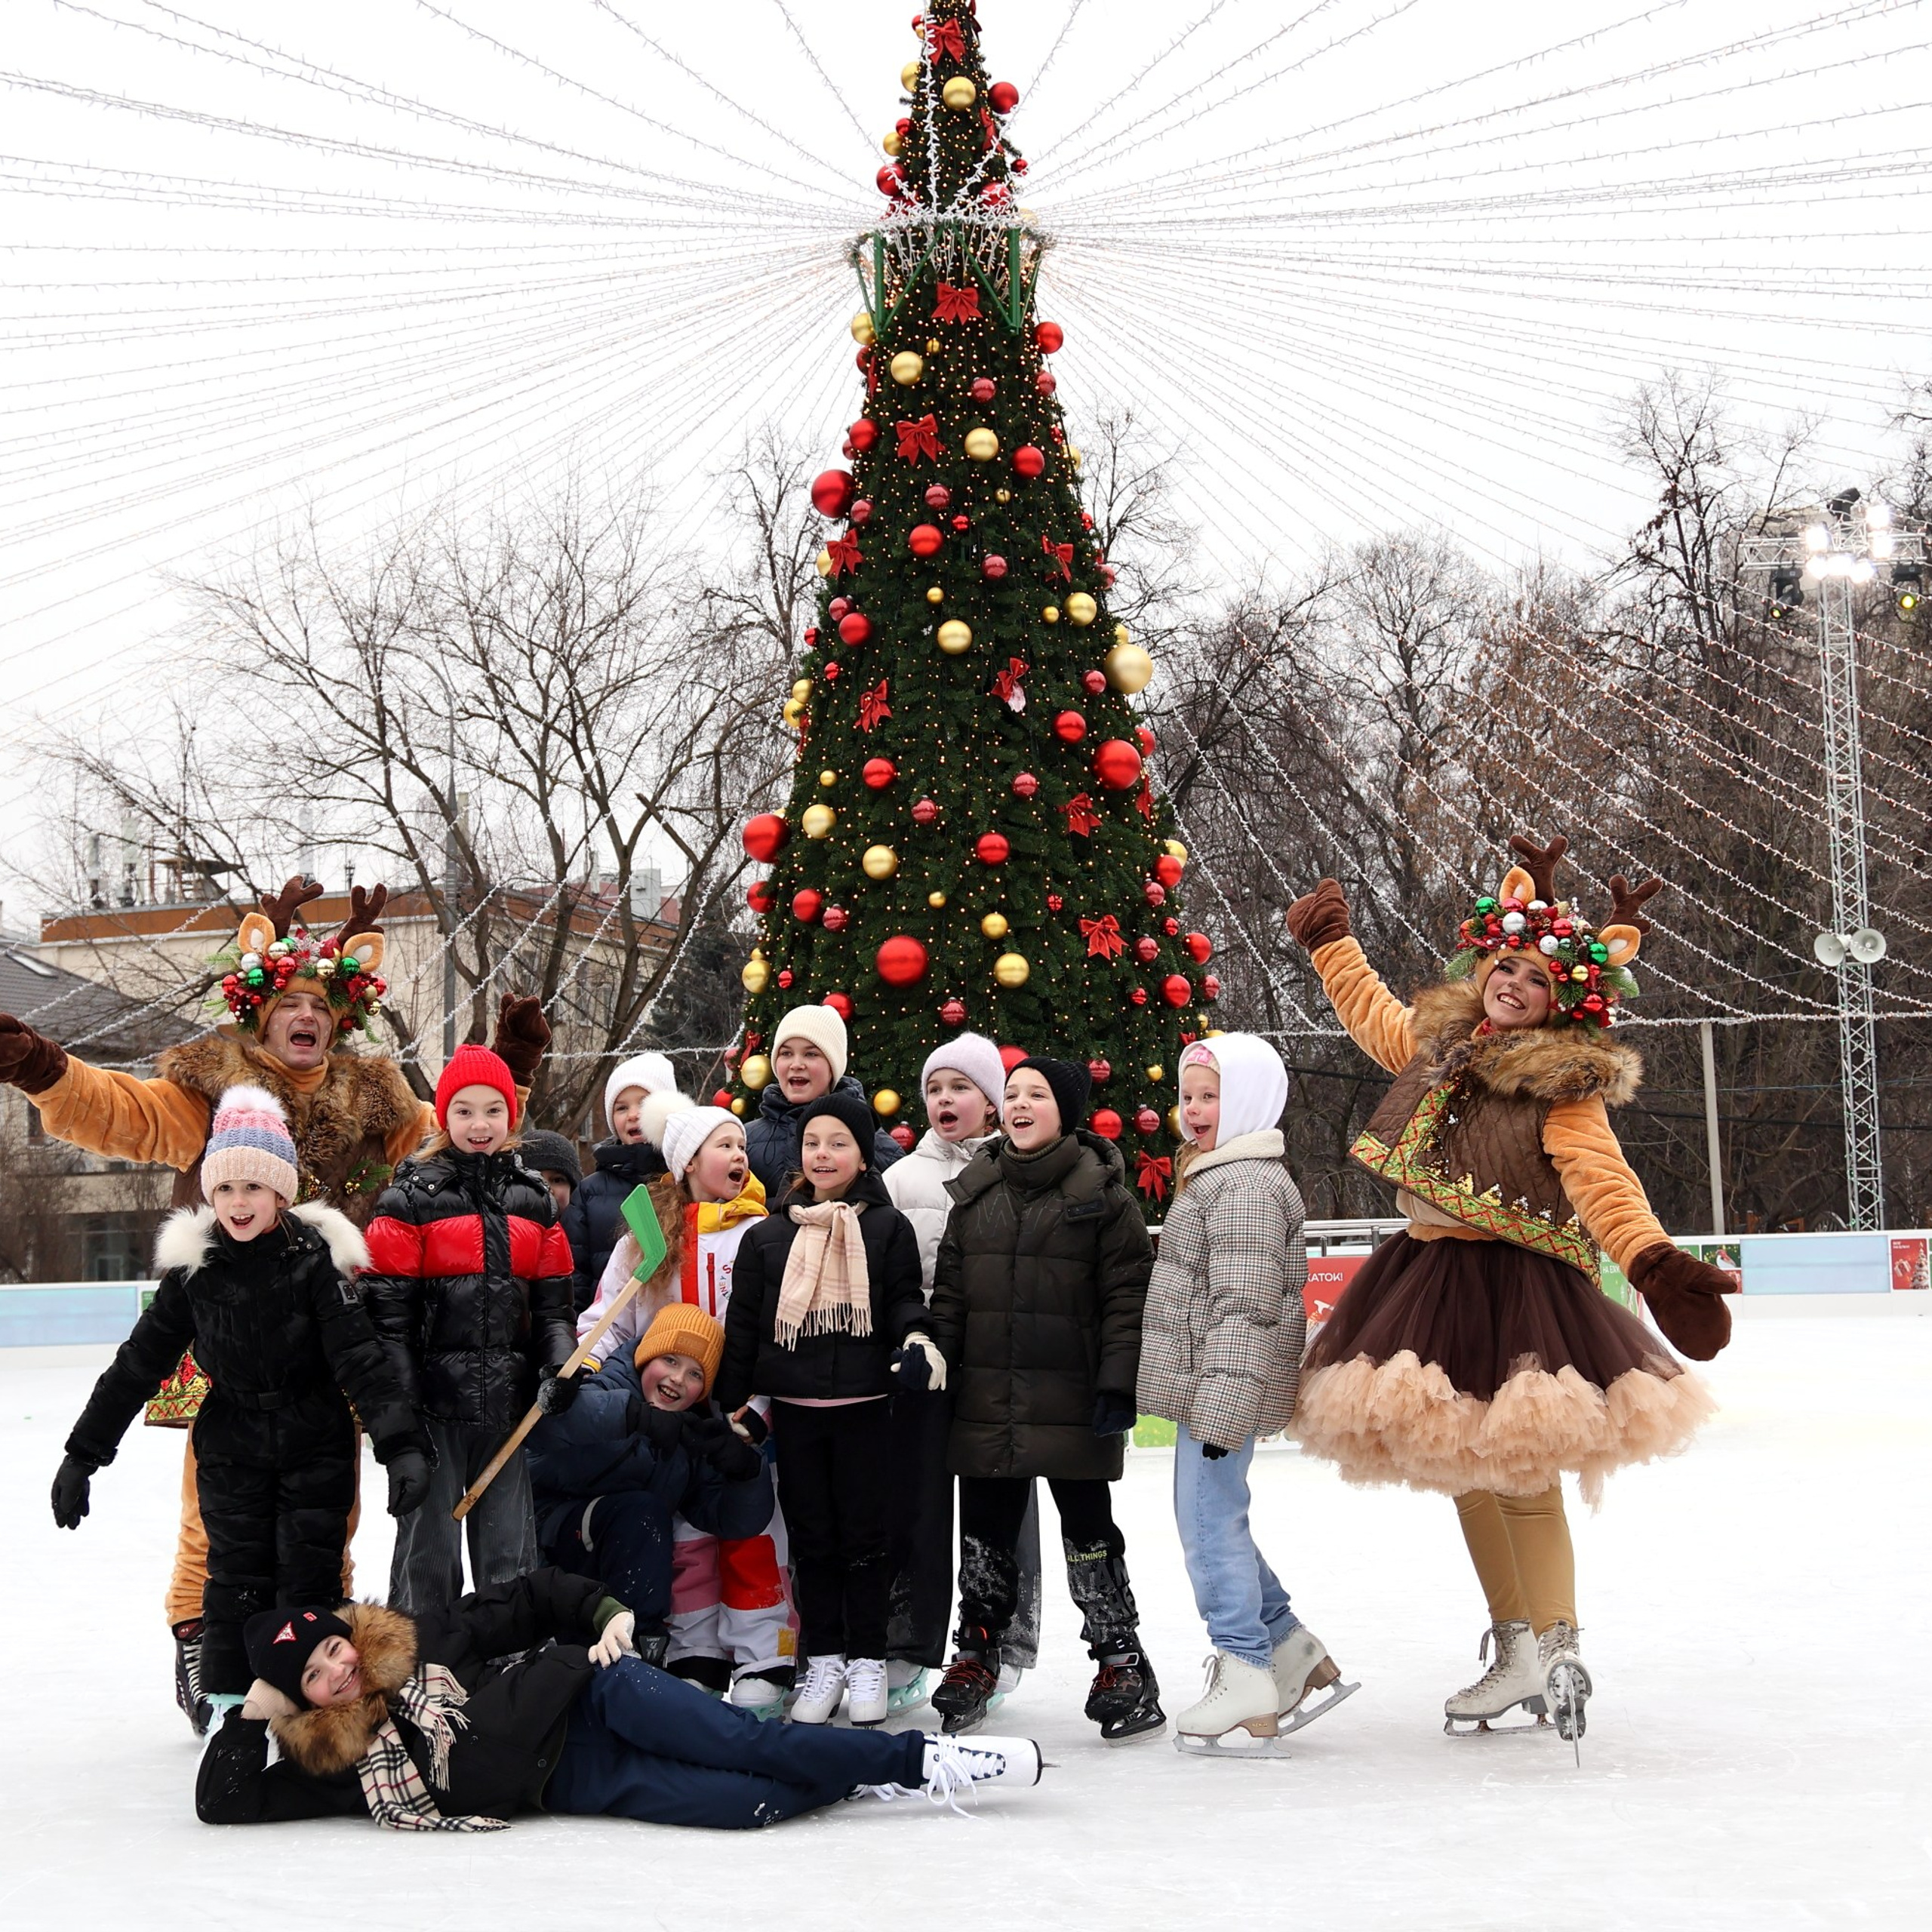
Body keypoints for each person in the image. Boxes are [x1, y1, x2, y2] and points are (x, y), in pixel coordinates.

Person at [0, 876, 549, 1733]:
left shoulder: (375, 1099)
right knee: (214, 1509)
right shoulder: (216, 1093)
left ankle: (309, 1653)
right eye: (289, 1000)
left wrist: (507, 1071)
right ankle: (200, 1638)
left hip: (328, 1324)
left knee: (325, 1505)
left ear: (339, 1018)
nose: (306, 1015)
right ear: (261, 1015)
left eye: (320, 1005)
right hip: (216, 1318)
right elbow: (123, 1113)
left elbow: (457, 1128)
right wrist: (42, 1067)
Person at [1284, 836, 1730, 1743]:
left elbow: (1604, 1182)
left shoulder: (1566, 1087)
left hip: (1519, 1285)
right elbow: (1370, 1010)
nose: (1511, 984)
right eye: (1504, 966)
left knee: (1521, 1473)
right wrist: (1332, 941)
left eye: (1533, 978)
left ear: (1561, 1000)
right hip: (1429, 1271)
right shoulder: (1437, 1044)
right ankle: (1518, 1645)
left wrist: (1652, 1262)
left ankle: (1561, 1644)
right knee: (1463, 1471)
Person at [51, 1086, 431, 1705]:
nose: (238, 1202)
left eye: (253, 1188)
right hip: (232, 1444)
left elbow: (361, 1360)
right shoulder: (196, 1273)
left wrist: (401, 1447)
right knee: (234, 1583)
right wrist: (83, 1455)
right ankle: (232, 1709)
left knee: (309, 1580)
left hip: (315, 1442)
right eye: (224, 1188)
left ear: (281, 1193)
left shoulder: (314, 1265)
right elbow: (137, 1366)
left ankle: (318, 1710)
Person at [196, 1568, 1042, 1832]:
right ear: (298, 1699)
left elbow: (528, 1597)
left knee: (751, 1746)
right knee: (751, 1801)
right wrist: (246, 1717)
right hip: (575, 1784)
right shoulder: (330, 1763)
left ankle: (925, 1761)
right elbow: (222, 1806)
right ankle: (859, 1774)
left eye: (334, 1646)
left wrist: (607, 1615)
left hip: (596, 1699)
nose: (339, 1670)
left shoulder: (421, 1640)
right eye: (313, 1674)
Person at [926, 1056, 1163, 1743]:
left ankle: (1121, 1660)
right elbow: (950, 1298)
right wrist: (935, 1358)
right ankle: (976, 1654)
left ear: (1065, 1110)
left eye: (1037, 1095)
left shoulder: (1104, 1197)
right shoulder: (975, 1194)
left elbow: (1126, 1299)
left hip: (1074, 1396)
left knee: (1089, 1534)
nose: (1021, 1105)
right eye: (1012, 1095)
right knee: (986, 1537)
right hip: (987, 1397)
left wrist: (1119, 1383)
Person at [1137, 1034, 1354, 1757]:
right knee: (1213, 1516)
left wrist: (1224, 1403)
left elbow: (1247, 1307)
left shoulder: (1245, 1185)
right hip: (1214, 1386)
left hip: (1221, 1391)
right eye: (1189, 1095)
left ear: (1252, 1100)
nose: (1193, 1110)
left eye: (1210, 1096)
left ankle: (1245, 1667)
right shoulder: (1220, 1174)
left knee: (1207, 1526)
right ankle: (1288, 1646)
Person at [576, 1103, 799, 1712]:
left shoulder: (760, 1233)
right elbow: (608, 1322)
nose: (738, 1157)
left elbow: (778, 1330)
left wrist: (757, 1410)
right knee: (687, 1536)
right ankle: (696, 1649)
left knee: (751, 1533)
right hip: (670, 1415)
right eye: (724, 1146)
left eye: (742, 1148)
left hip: (741, 1418)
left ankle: (766, 1652)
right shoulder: (647, 1240)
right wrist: (588, 1370)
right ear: (689, 1162)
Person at [717, 1091, 928, 1727]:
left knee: (866, 1538)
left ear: (863, 1154)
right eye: (813, 1143)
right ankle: (825, 1658)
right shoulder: (768, 1236)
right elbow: (746, 1326)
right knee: (811, 1540)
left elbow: (901, 1299)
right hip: (796, 1412)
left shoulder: (887, 1228)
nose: (823, 1154)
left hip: (866, 1409)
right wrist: (734, 1407)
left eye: (838, 1142)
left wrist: (916, 1338)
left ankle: (867, 1656)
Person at [364, 1044, 577, 1621]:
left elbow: (554, 1310)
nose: (479, 1125)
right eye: (463, 1110)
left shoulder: (534, 1202)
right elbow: (389, 1323)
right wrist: (402, 1422)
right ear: (442, 1116)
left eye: (492, 1110)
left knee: (510, 1555)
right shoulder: (407, 1201)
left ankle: (510, 1671)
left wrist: (559, 1366)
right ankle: (419, 1663)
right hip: (433, 1411)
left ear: (511, 1117)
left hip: (507, 1410)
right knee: (427, 1556)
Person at [881, 1033, 1044, 1718]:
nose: (945, 1100)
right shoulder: (901, 1178)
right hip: (924, 1356)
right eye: (935, 1089)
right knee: (914, 1503)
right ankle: (905, 1641)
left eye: (961, 1089)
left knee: (1000, 1501)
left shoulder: (1018, 1170)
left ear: (990, 1101)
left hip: (995, 1360)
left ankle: (1002, 1637)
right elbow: (888, 1270)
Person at [528, 1303, 775, 1670]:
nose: (678, 1379)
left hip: (612, 1566)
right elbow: (551, 1426)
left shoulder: (685, 1442)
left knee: (643, 1514)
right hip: (550, 1541)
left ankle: (642, 1652)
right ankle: (629, 1647)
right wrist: (634, 1417)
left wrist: (743, 1470)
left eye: (695, 1374)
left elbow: (734, 1520)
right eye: (670, 1361)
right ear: (645, 1358)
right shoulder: (605, 1384)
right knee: (640, 1512)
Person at [562, 1051, 685, 1313]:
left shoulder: (687, 1179)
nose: (632, 1114)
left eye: (644, 1103)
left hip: (678, 1326)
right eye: (621, 1107)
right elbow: (576, 1278)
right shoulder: (590, 1192)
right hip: (610, 1327)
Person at [743, 1004, 903, 1198]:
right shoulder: (745, 1142)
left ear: (832, 1066)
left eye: (811, 1054)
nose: (796, 1064)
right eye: (786, 1053)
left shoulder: (877, 1144)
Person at [519, 1129, 582, 1217]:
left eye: (557, 1180)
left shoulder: (594, 1228)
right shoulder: (499, 1228)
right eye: (533, 1180)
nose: (546, 1189)